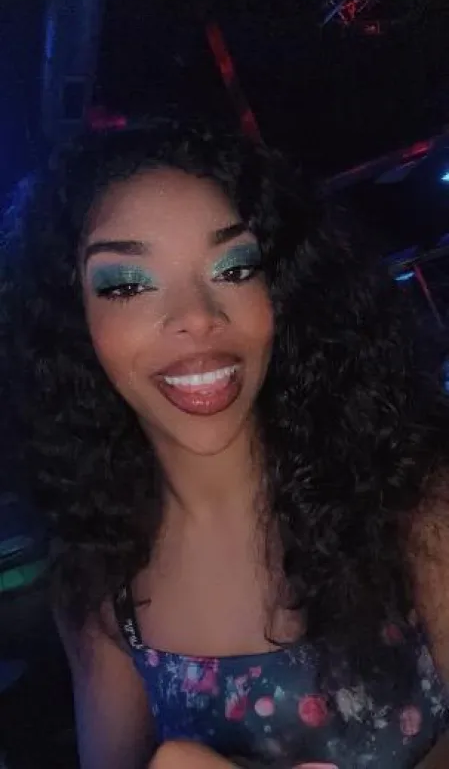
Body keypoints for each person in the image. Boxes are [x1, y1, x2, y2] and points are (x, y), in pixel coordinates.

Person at [1, 118, 449, 769]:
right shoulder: (100, 584)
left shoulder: (412, 494)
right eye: (127, 285)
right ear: (75, 325)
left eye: (234, 268)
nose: (197, 316)